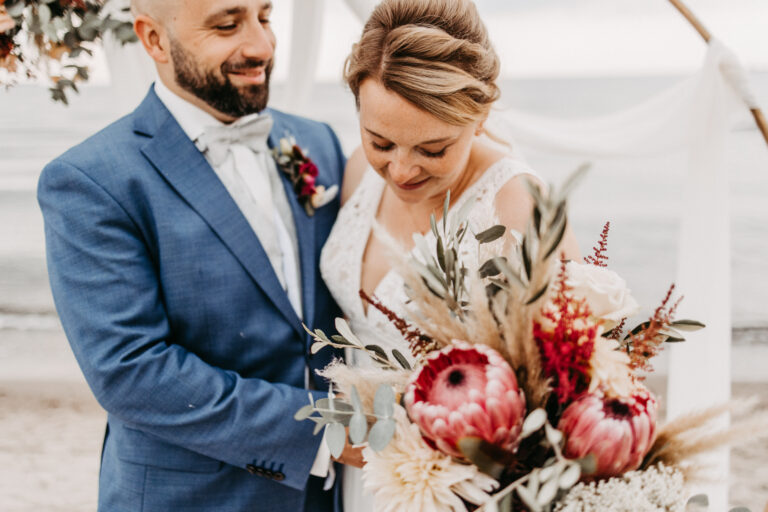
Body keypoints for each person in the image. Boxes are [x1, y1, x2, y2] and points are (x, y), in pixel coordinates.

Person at [37, 0, 361, 510]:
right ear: (154, 40)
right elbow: (132, 372)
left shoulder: (315, 142)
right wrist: (327, 427)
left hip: (326, 497)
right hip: (193, 497)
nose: (260, 45)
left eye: (266, 17)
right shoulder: (91, 181)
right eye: (227, 25)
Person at [319, 0, 581, 509]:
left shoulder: (516, 205)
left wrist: (419, 436)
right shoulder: (356, 172)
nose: (400, 170)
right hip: (367, 481)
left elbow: (566, 386)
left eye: (432, 150)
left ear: (480, 114)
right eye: (381, 141)